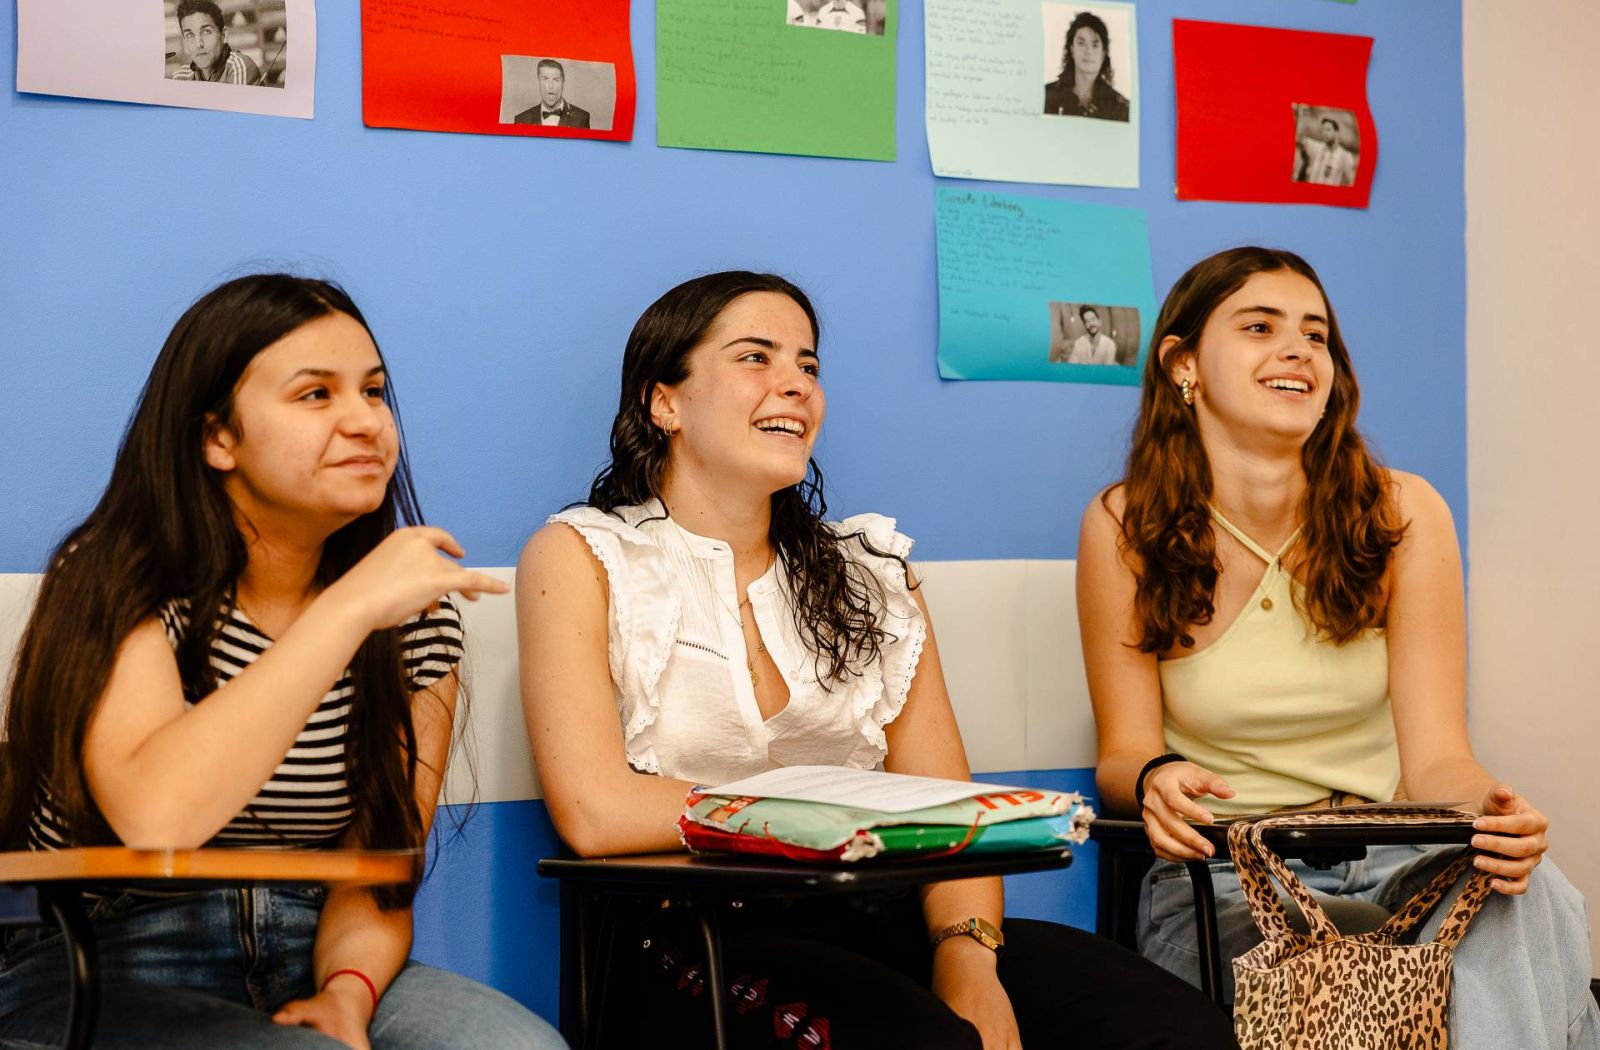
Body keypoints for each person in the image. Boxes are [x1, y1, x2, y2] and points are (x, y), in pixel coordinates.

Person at [517, 271, 1238, 1050]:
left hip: (881, 918)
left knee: (1178, 1029)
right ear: (665, 402)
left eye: (808, 365)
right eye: (756, 357)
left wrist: (967, 958)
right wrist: (826, 815)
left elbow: (949, 807)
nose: (796, 384)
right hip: (691, 937)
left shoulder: (873, 573)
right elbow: (594, 812)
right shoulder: (582, 556)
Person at [0, 275, 566, 1050]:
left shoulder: (414, 618)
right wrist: (344, 612)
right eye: (315, 395)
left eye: (373, 391)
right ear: (218, 439)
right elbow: (158, 817)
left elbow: (379, 869)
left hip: (314, 949)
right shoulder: (118, 577)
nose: (364, 421)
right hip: (103, 959)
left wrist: (347, 995)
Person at [1077, 246, 1600, 1048]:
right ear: (1183, 364)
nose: (1297, 350)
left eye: (1315, 335)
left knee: (1535, 898)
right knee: (1362, 959)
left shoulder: (1404, 513)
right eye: (1261, 327)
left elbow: (1439, 761)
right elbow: (1122, 756)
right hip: (1230, 877)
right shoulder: (1123, 525)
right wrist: (1156, 778)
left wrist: (1495, 814)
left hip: (1399, 853)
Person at [1042, 11, 1129, 122]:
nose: (1088, 51)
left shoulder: (1121, 107)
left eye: (1095, 45)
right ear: (1072, 49)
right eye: (1081, 43)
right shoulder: (1046, 96)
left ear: (1103, 53)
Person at [170, 0, 262, 85]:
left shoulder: (239, 67)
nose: (198, 44)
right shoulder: (181, 77)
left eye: (206, 32)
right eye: (190, 35)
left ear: (224, 35)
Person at [512, 59, 591, 128]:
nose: (550, 86)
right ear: (538, 82)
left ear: (563, 83)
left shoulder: (581, 118)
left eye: (556, 80)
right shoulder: (522, 120)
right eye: (545, 79)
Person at [1296, 115, 1357, 187]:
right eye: (1323, 129)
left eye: (1328, 130)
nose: (1324, 133)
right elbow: (1300, 139)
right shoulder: (1317, 148)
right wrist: (1301, 116)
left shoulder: (1345, 157)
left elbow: (1352, 182)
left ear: (1337, 133)